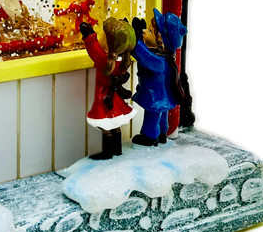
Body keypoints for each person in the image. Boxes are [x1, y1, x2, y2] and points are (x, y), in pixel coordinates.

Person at [79, 18, 136, 160]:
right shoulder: (122, 61)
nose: (101, 37)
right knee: (115, 124)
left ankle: (107, 152)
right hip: (114, 97)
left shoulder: (105, 60)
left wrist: (89, 35)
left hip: (104, 96)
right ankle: (117, 149)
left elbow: (94, 50)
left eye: (103, 35)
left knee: (104, 126)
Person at [130, 9, 187, 146]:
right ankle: (162, 133)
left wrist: (136, 40)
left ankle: (149, 136)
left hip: (155, 97)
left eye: (150, 31)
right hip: (163, 96)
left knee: (153, 114)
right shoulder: (165, 59)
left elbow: (142, 54)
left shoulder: (158, 61)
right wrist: (141, 35)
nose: (145, 31)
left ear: (160, 41)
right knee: (162, 114)